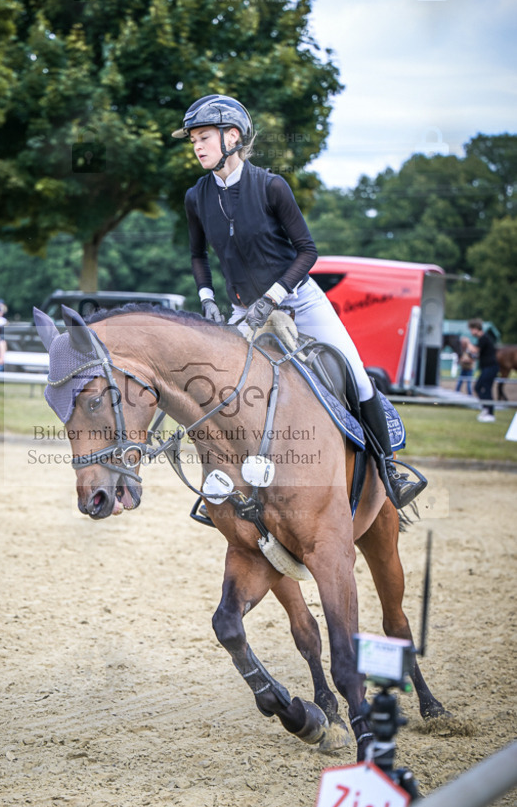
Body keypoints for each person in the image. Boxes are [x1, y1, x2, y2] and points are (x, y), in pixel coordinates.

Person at [173, 93, 426, 509]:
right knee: (218, 389)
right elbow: (197, 255)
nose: (196, 146)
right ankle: (222, 482)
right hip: (243, 310)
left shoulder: (272, 186)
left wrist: (272, 297)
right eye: (193, 140)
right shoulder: (196, 196)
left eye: (203, 137)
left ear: (232, 136)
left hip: (299, 302)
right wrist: (207, 299)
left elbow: (308, 251)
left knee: (357, 377)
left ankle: (389, 471)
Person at [468, 318, 498, 421]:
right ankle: (486, 409)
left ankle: (489, 412)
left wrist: (468, 343)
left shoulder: (483, 338)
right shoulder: (483, 339)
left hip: (490, 367)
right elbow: (477, 354)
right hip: (486, 367)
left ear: (476, 328)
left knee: (486, 389)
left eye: (471, 330)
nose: (471, 332)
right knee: (478, 387)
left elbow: (475, 349)